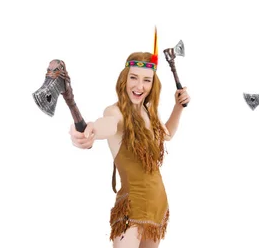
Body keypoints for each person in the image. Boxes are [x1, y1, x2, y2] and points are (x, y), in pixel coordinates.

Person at [69, 31, 190, 248]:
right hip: (131, 207)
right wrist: (91, 130)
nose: (139, 86)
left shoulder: (149, 112)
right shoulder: (116, 112)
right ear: (124, 78)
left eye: (146, 80)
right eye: (133, 77)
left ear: (153, 85)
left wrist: (178, 107)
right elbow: (106, 124)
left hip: (157, 203)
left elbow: (167, 134)